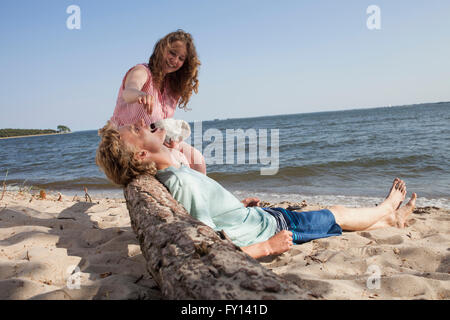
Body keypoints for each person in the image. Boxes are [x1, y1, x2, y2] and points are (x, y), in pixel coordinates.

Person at [95, 119, 418, 259]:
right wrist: (266, 248)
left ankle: (392, 221)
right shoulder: (178, 181)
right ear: (140, 154)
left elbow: (209, 206)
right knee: (336, 214)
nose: (143, 124)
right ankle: (387, 208)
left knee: (333, 224)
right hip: (269, 229)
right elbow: (207, 245)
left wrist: (235, 207)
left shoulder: (176, 170)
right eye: (137, 129)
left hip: (257, 218)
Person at [110, 29, 206, 174]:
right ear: (162, 49)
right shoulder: (142, 71)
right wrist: (140, 94)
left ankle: (202, 196)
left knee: (197, 159)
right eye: (172, 53)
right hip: (129, 141)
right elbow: (129, 91)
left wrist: (172, 142)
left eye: (181, 58)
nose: (175, 60)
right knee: (179, 159)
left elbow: (161, 125)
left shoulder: (172, 87)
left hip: (153, 141)